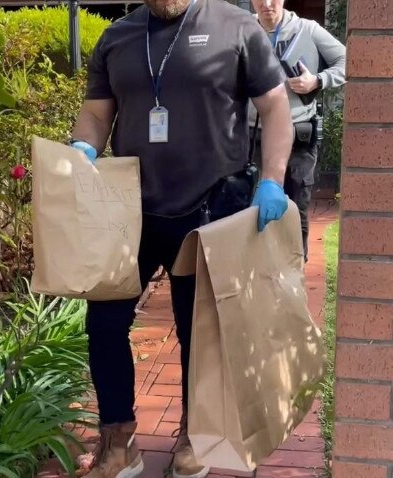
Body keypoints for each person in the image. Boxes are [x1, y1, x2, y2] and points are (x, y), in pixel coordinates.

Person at [66, 0, 294, 476]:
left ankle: (195, 436)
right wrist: (83, 143)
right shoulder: (118, 38)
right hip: (128, 211)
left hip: (209, 207)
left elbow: (275, 106)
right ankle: (118, 442)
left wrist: (272, 178)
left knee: (199, 333)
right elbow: (95, 111)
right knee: (104, 325)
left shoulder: (236, 27)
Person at [249, 0, 346, 261]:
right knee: (251, 207)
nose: (267, 4)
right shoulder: (243, 30)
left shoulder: (307, 29)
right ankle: (256, 272)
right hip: (252, 136)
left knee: (297, 206)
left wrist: (318, 80)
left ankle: (295, 271)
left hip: (299, 135)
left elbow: (347, 60)